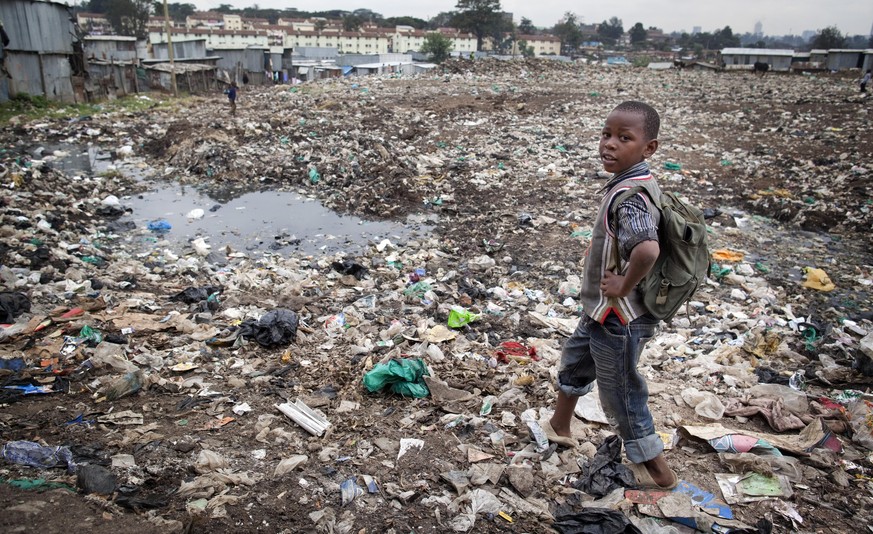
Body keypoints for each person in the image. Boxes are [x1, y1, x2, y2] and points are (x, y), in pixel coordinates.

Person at [543, 100, 679, 490]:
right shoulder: (631, 184)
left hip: (620, 317)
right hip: (601, 311)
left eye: (624, 138)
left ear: (649, 148)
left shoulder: (631, 196)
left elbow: (647, 250)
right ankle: (559, 424)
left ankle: (659, 471)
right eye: (606, 134)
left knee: (620, 394)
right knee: (574, 361)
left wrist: (623, 283)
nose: (610, 145)